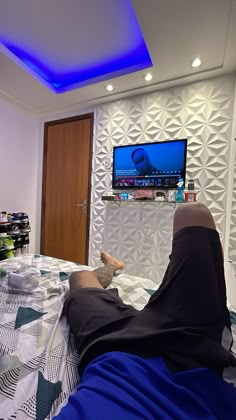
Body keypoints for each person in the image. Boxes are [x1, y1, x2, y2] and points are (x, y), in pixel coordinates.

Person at [55, 203, 236, 419]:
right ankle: (117, 269)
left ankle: (112, 267)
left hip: (109, 346)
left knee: (80, 278)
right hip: (190, 346)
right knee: (194, 213)